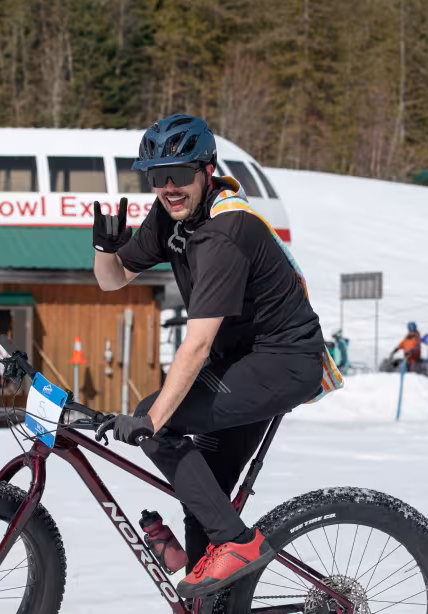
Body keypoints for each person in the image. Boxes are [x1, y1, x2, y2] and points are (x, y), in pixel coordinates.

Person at [90, 114, 341, 599]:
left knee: (155, 421)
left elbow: (198, 343)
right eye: (156, 176)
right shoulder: (171, 217)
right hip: (242, 364)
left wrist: (152, 418)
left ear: (207, 170)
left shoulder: (227, 231)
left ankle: (238, 544)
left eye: (180, 174)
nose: (168, 187)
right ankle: (212, 592)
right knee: (203, 496)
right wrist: (105, 246)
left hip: (283, 361)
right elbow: (112, 278)